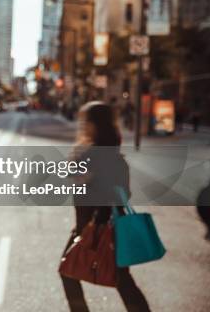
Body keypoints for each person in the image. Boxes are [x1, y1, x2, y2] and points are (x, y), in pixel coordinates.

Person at [61, 101, 150, 312]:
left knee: (69, 271)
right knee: (121, 280)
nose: (82, 125)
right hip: (107, 226)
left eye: (86, 121)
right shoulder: (114, 155)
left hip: (96, 228)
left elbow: (77, 179)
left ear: (96, 125)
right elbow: (124, 192)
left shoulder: (93, 154)